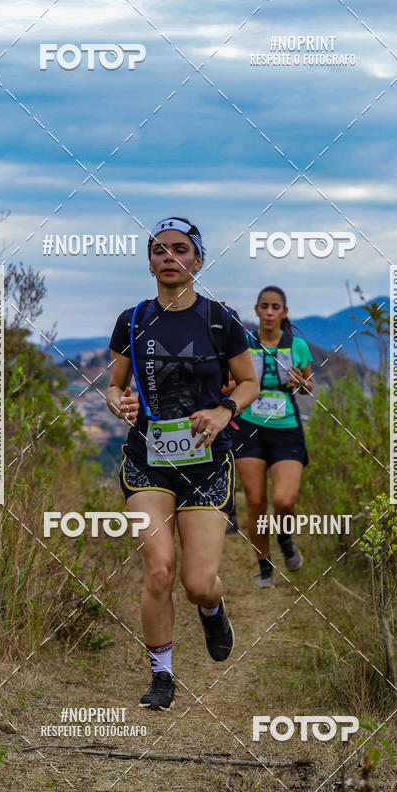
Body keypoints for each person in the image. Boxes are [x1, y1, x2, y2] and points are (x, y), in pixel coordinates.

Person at [106, 217, 259, 710]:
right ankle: (162, 676)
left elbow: (249, 382)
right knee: (158, 569)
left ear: (197, 259)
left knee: (196, 582)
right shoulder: (132, 320)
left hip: (206, 464)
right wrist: (118, 402)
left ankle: (212, 608)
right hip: (147, 460)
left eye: (179, 250)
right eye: (158, 250)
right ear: (148, 261)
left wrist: (223, 410)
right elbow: (114, 385)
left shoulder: (220, 319)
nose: (168, 258)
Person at [231, 286, 313, 587]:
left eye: (275, 307)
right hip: (250, 428)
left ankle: (285, 537)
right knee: (255, 501)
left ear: (284, 312)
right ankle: (264, 564)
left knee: (284, 500)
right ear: (256, 310)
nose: (268, 312)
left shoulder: (297, 346)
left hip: (287, 429)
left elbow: (308, 388)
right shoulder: (244, 345)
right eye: (263, 306)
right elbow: (229, 385)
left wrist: (300, 381)